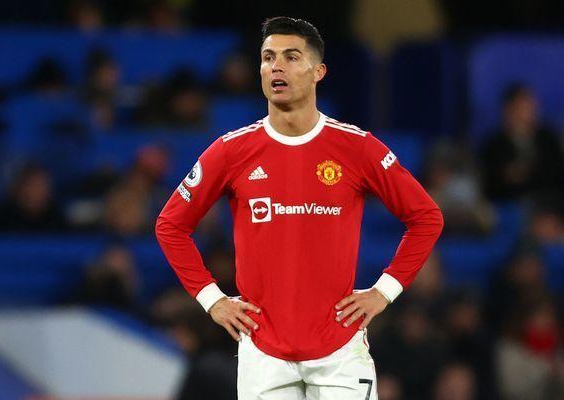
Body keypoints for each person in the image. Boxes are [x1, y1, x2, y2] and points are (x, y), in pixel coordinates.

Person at [156, 17, 443, 399]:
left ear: (318, 71)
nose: (277, 66)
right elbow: (170, 226)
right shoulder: (231, 151)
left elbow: (426, 217)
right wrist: (212, 299)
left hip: (340, 352)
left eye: (291, 57)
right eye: (268, 57)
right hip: (263, 354)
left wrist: (383, 291)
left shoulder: (356, 147)